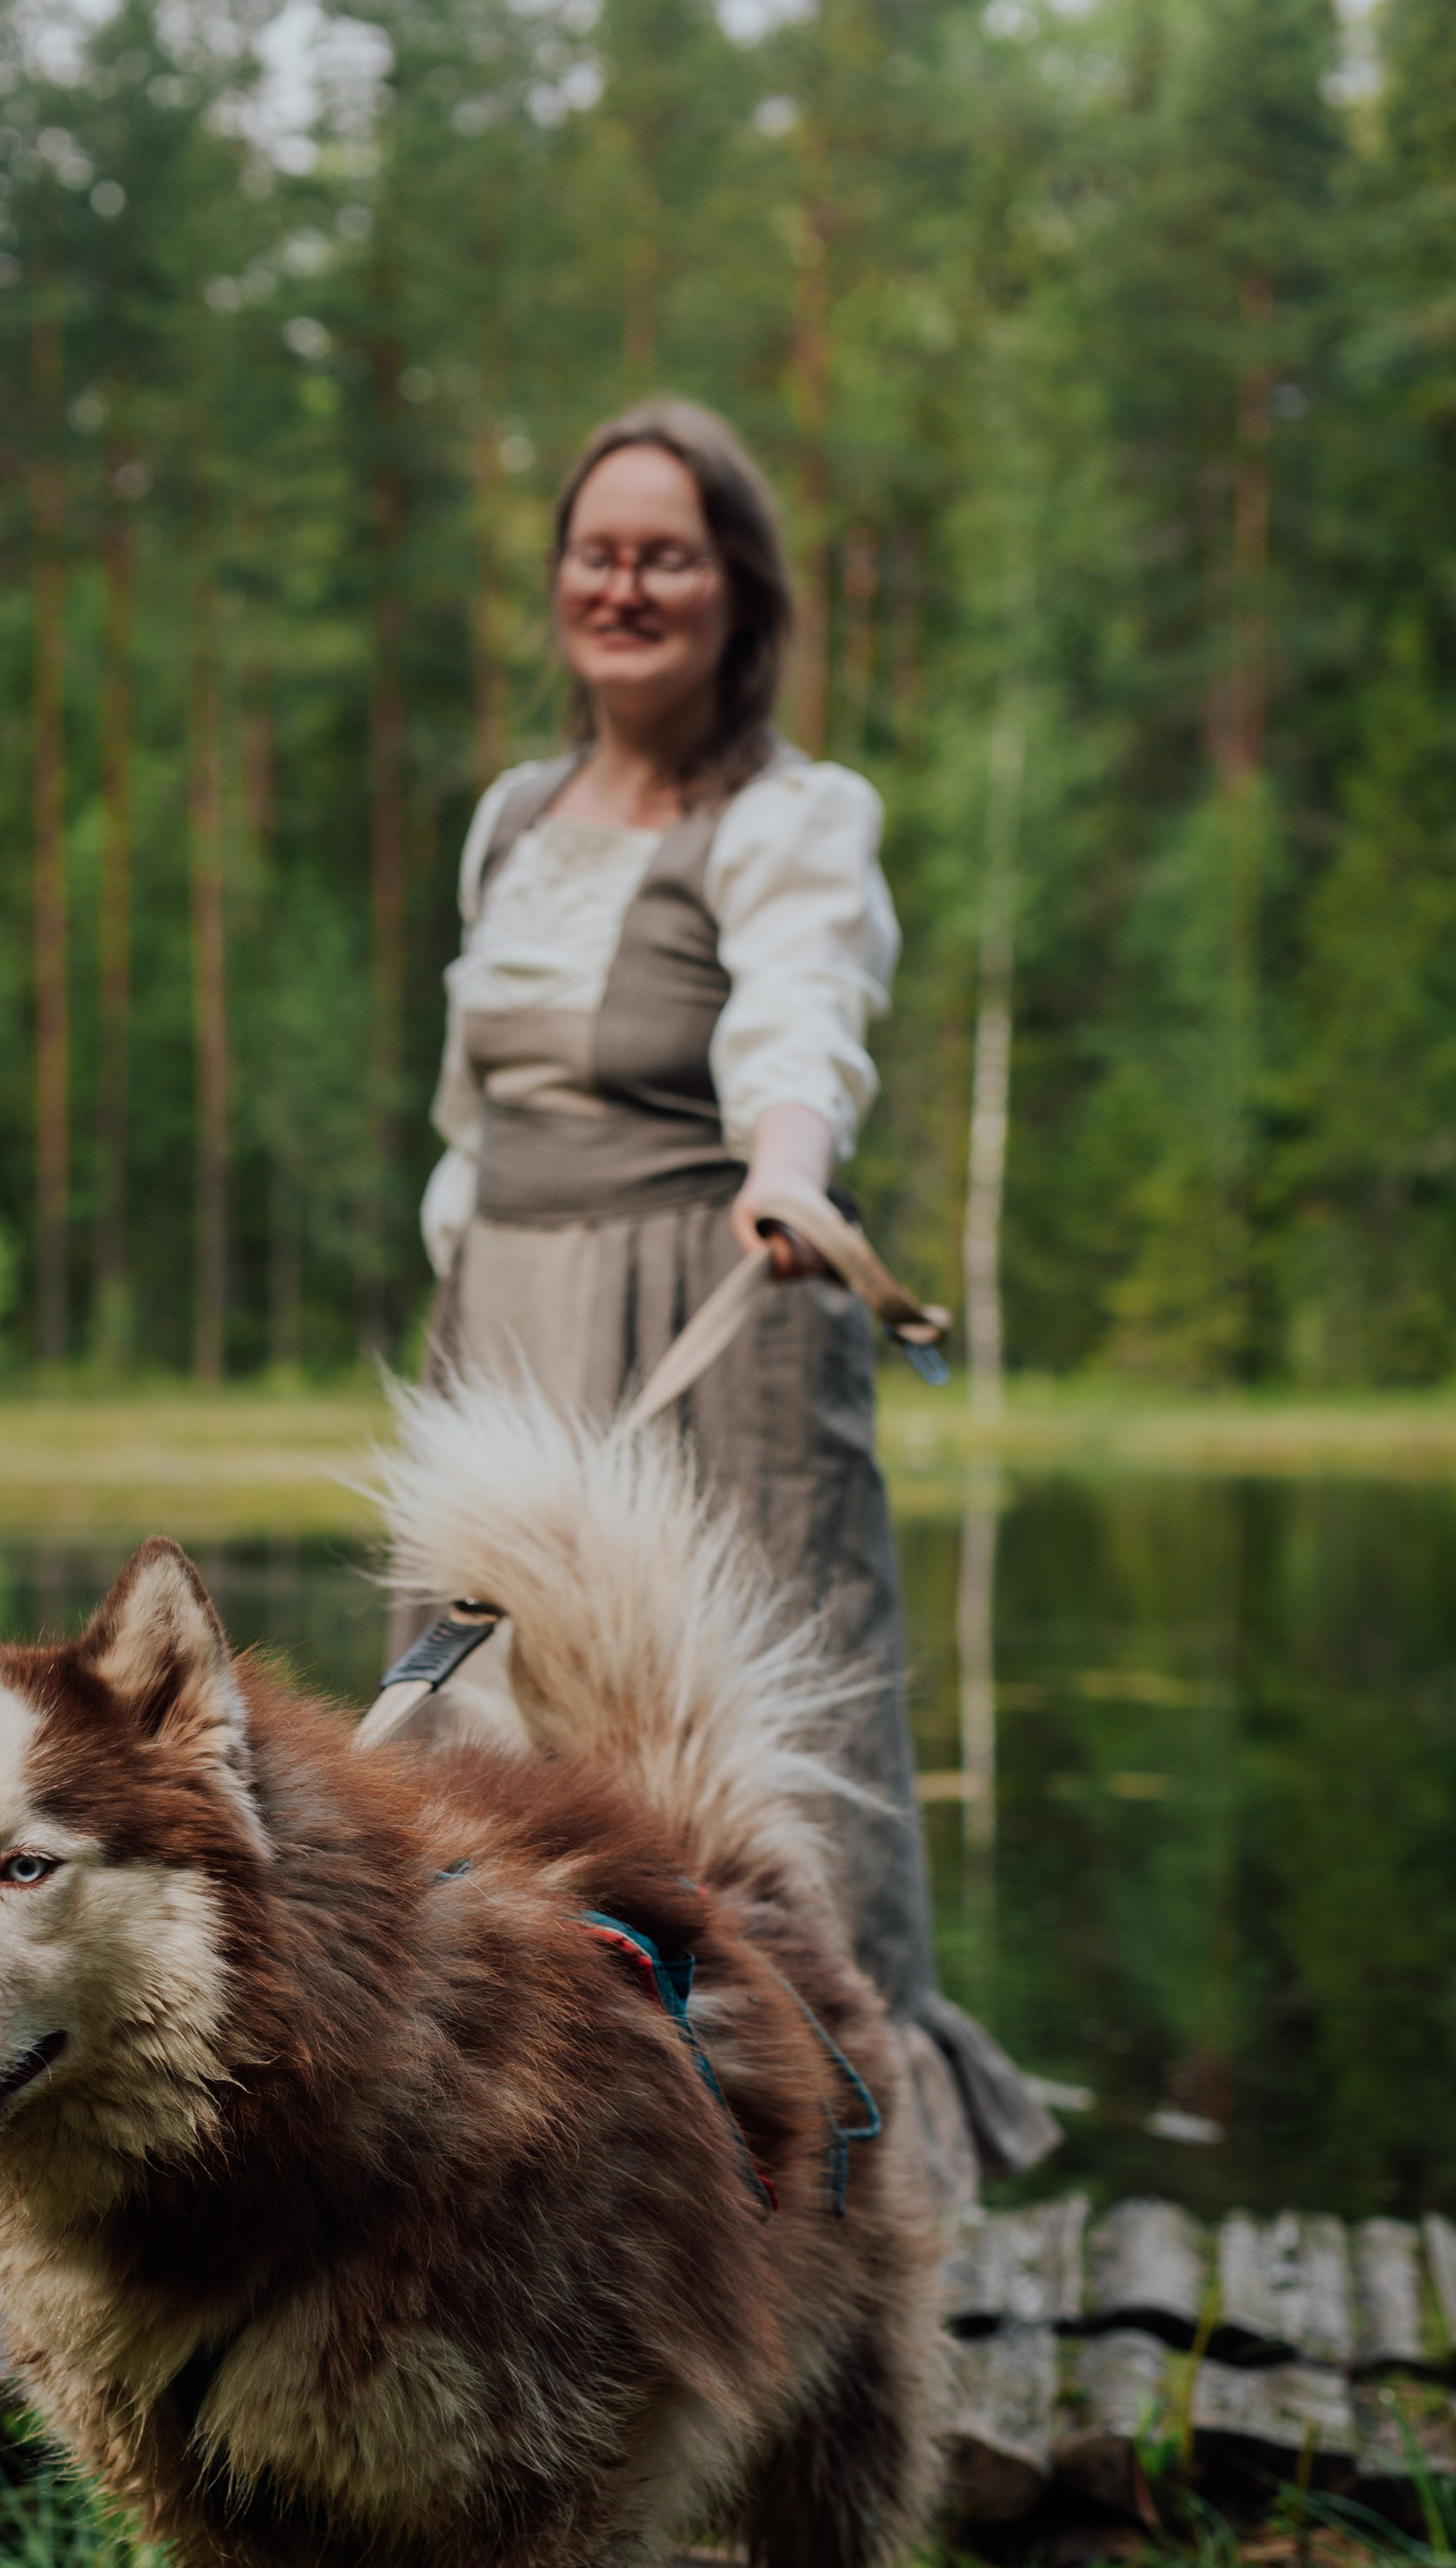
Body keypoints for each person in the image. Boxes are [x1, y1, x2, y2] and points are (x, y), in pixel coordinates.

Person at [413, 394, 1056, 2210]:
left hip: (720, 1317)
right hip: (510, 1326)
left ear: (735, 592)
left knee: (767, 1755)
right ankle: (541, 2168)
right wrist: (456, 1274)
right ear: (559, 580)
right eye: (595, 550)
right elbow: (474, 1115)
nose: (622, 584)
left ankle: (837, 2205)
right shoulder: (510, 819)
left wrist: (786, 1164)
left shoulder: (793, 817)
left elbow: (799, 1013)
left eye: (665, 553)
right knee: (488, 1734)